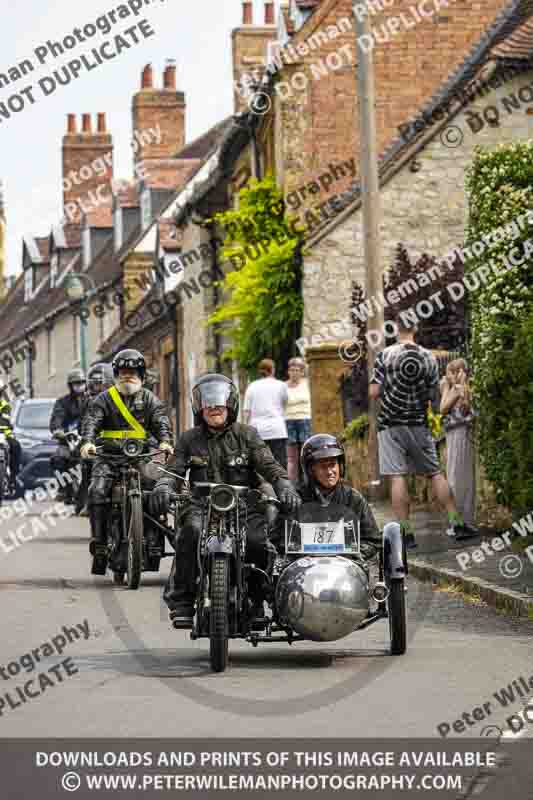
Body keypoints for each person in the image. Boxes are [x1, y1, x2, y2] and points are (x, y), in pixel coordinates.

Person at [150, 373, 301, 627]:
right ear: (199, 407)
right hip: (201, 504)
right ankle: (183, 599)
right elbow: (174, 470)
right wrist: (164, 486)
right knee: (190, 532)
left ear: (230, 404)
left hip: (244, 505)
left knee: (257, 541)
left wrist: (284, 485)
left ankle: (255, 600)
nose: (213, 408)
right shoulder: (189, 439)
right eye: (208, 403)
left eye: (219, 403)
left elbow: (269, 465)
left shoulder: (247, 435)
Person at [370, 317, 477, 547]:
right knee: (435, 473)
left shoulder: (385, 355)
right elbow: (432, 393)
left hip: (390, 423)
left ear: (396, 328)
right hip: (419, 422)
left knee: (397, 476)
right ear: (416, 328)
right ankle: (457, 523)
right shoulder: (429, 357)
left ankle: (406, 534)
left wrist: (391, 390)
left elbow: (373, 392)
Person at [80, 349, 173, 575]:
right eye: (122, 372)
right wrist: (88, 442)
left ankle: (154, 535)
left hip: (141, 457)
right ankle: (100, 543)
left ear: (141, 374)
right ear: (116, 374)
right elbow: (91, 421)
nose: (127, 376)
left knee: (159, 490)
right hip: (108, 457)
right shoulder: (103, 399)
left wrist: (165, 441)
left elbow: (161, 421)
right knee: (97, 491)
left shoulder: (150, 399)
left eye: (132, 372)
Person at [298, 433, 381, 541]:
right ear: (311, 471)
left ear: (340, 467)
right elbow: (280, 543)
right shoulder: (297, 499)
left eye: (332, 465)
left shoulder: (354, 499)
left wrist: (350, 554)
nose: (329, 472)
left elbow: (373, 540)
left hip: (348, 558)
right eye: (323, 467)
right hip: (306, 558)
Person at [440, 359, 477, 532]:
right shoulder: (447, 387)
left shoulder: (466, 388)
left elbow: (465, 409)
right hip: (454, 434)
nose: (449, 376)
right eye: (449, 372)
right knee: (454, 476)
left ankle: (468, 521)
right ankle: (456, 522)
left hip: (466, 434)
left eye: (453, 372)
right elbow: (443, 408)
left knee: (467, 478)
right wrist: (456, 388)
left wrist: (462, 387)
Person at [78, 363, 115, 516]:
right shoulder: (90, 401)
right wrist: (87, 439)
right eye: (94, 383)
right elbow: (87, 422)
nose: (97, 387)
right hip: (100, 443)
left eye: (100, 383)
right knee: (87, 461)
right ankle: (89, 501)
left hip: (126, 443)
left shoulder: (122, 396)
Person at [50, 369, 88, 501]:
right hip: (68, 440)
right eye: (76, 383)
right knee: (58, 459)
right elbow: (57, 418)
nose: (79, 385)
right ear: (70, 385)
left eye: (81, 382)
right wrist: (58, 430)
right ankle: (63, 489)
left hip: (88, 440)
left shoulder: (92, 400)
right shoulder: (62, 402)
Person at [243, 358, 289, 469]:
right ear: (272, 370)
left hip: (258, 431)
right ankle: (281, 486)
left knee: (259, 464)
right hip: (277, 430)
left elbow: (246, 412)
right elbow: (285, 404)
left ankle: (261, 486)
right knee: (279, 464)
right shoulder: (281, 385)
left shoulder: (252, 386)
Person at [285, 357, 312, 481]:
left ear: (302, 372)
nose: (294, 372)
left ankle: (306, 480)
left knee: (305, 452)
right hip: (289, 420)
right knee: (291, 456)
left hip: (305, 419)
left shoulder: (307, 384)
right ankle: (292, 483)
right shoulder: (283, 386)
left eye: (297, 370)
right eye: (292, 370)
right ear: (288, 372)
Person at [0, 395, 21, 490]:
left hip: (3, 434)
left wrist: (8, 431)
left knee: (16, 446)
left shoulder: (5, 405)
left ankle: (13, 477)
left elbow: (4, 422)